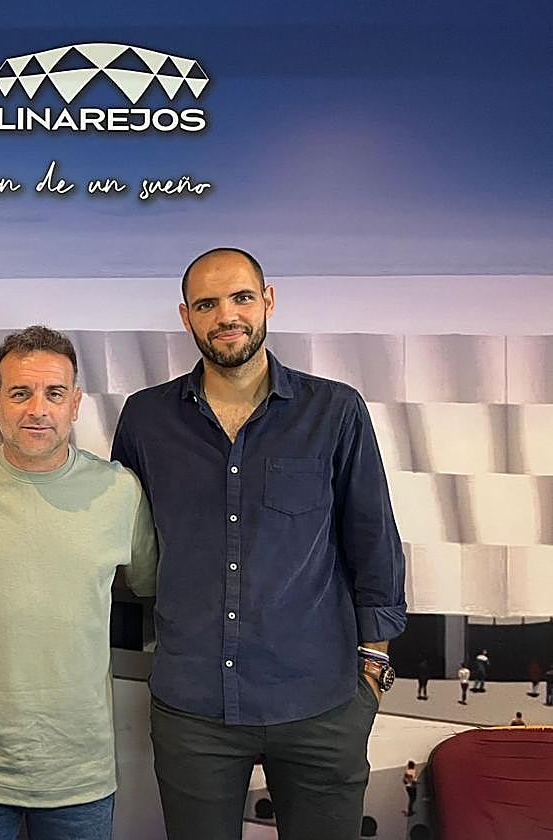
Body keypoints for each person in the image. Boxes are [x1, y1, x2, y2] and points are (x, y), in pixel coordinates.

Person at [112, 248, 407, 840]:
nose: (227, 315)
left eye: (242, 298)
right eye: (207, 304)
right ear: (186, 316)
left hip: (321, 705)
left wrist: (373, 668)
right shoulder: (146, 419)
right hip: (193, 710)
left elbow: (373, 541)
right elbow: (124, 542)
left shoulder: (335, 411)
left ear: (268, 301)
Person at [0, 326, 158, 840]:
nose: (37, 409)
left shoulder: (118, 492)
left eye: (54, 393)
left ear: (75, 403)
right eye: (20, 393)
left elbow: (152, 587)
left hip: (79, 772)